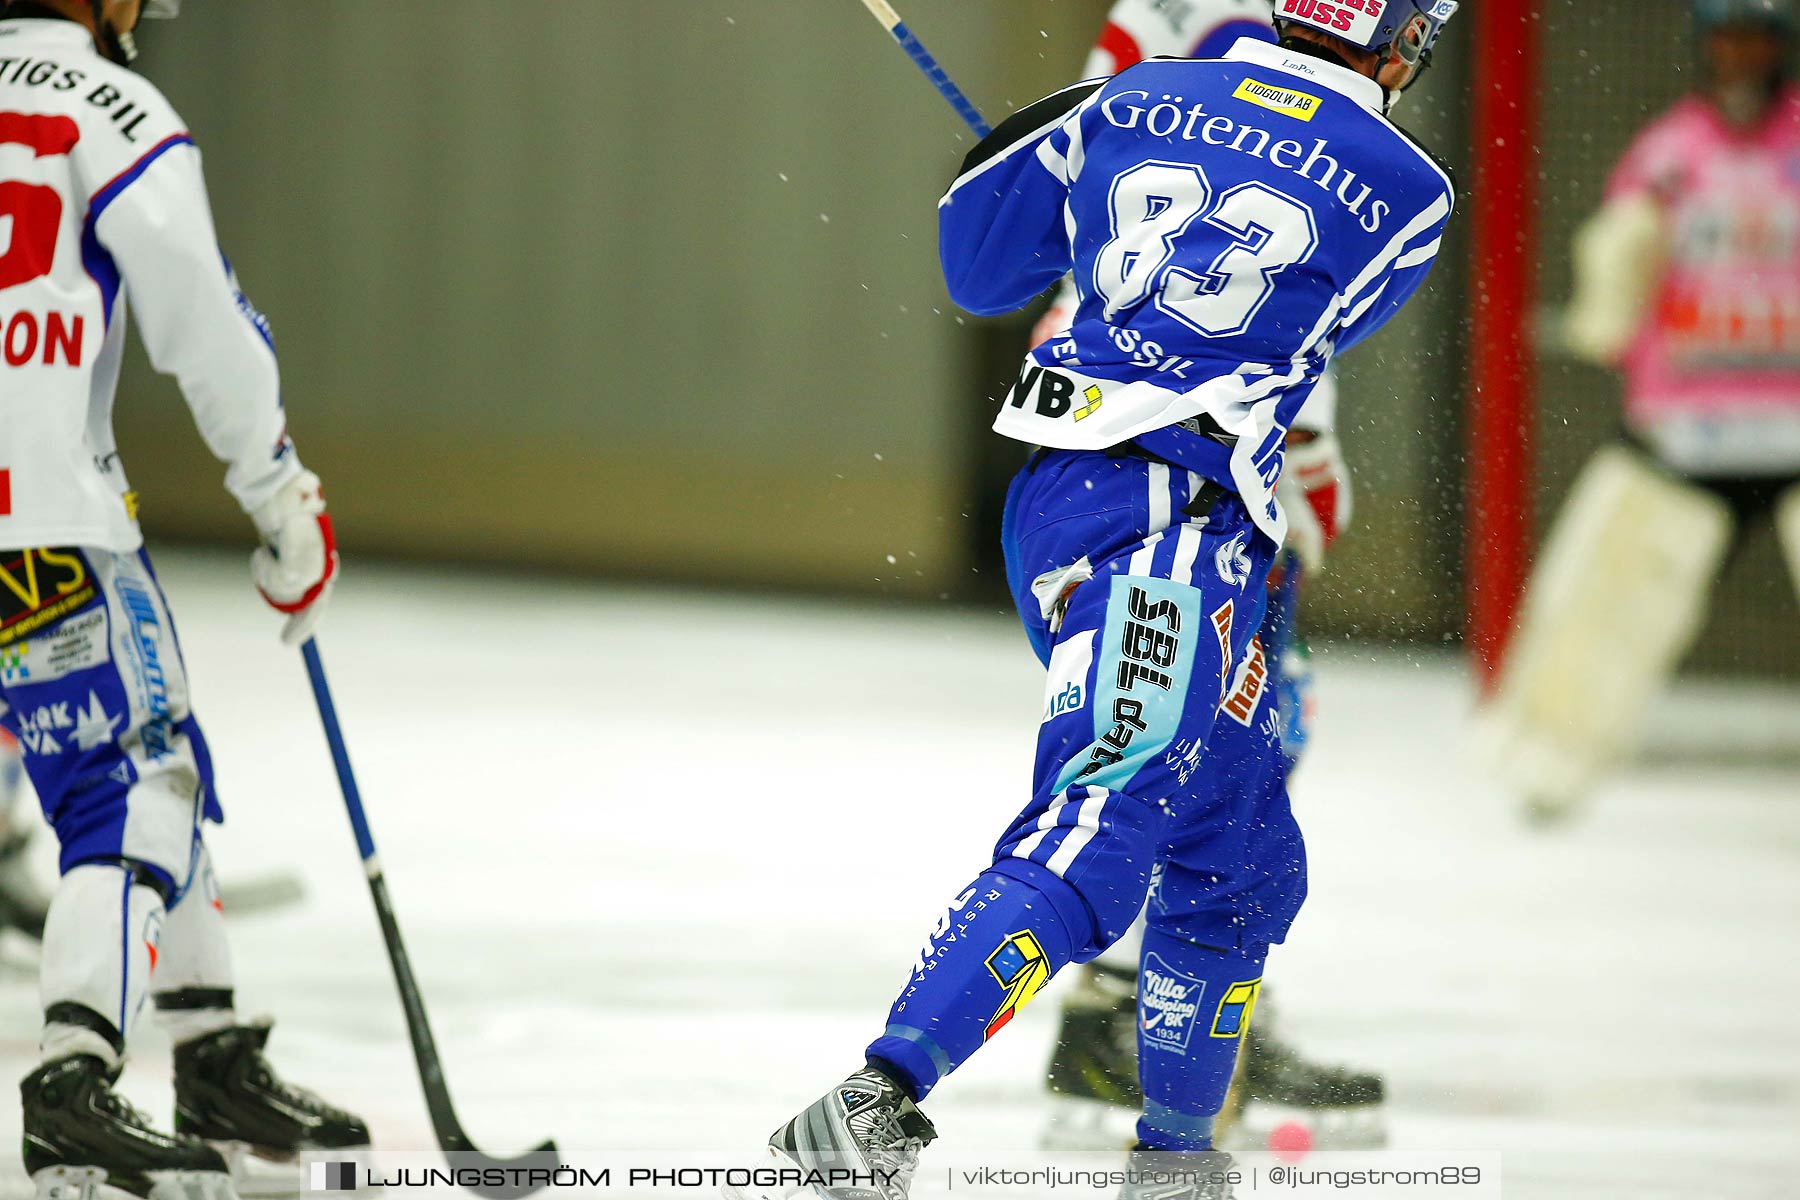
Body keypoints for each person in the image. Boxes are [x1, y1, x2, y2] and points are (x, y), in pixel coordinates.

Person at [731, 4, 1458, 1197]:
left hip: (1079, 495)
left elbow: (978, 268)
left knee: (1241, 853)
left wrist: (1058, 167)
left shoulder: (1130, 95)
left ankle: (1176, 1161)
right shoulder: (1411, 186)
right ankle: (876, 1097)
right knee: (1105, 821)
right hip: (1167, 521)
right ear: (1397, 44)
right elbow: (1317, 328)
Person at [0, 2, 368, 1196]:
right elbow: (203, 327)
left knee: (163, 748)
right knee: (135, 782)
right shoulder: (110, 109)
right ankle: (73, 1080)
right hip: (49, 525)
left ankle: (206, 1045)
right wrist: (281, 499)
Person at [1031, 0, 1384, 1156]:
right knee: (1206, 720)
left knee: (1241, 721)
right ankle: (1136, 1013)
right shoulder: (1191, 14)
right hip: (1183, 420)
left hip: (1217, 406)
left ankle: (1163, 1013)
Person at [1477, 0, 1800, 824]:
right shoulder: (1670, 154)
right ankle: (1551, 766)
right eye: (1726, 42)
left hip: (1791, 423)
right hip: (1684, 430)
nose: (1740, 61)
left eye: (1755, 43)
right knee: (1605, 606)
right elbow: (1613, 292)